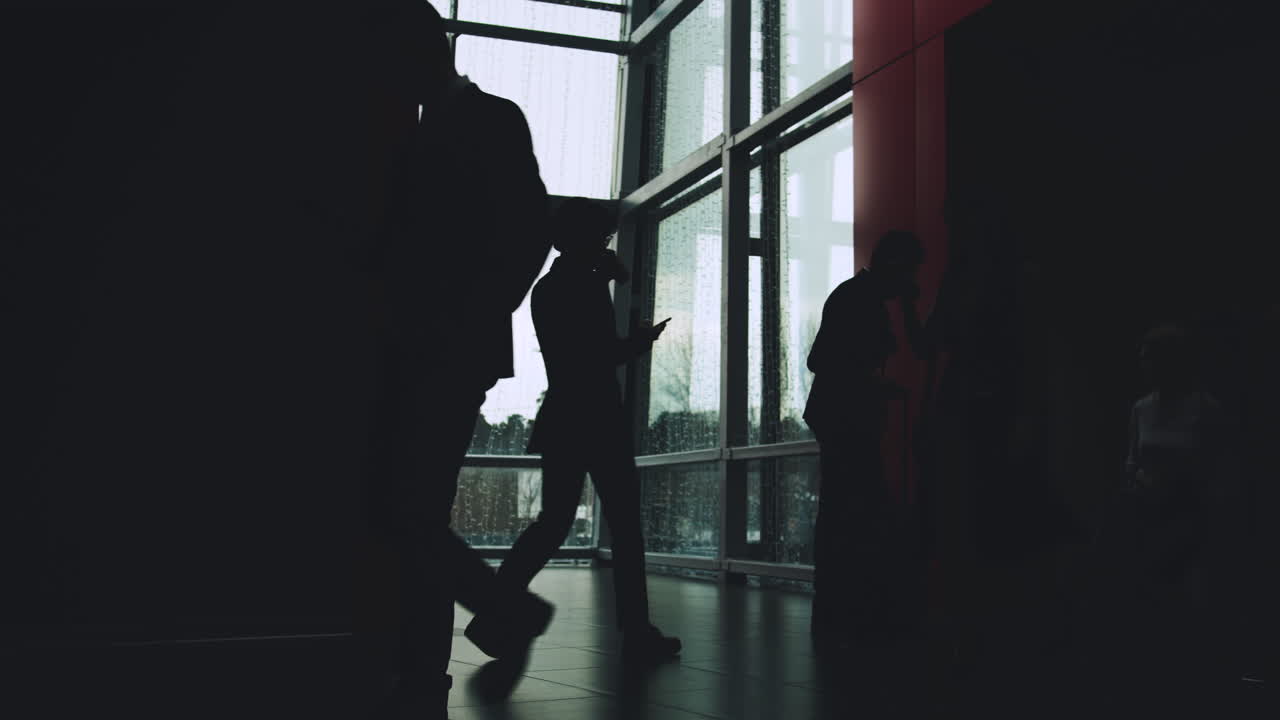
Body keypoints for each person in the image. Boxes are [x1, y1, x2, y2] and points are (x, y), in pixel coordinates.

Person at [372, 3, 553, 716]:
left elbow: (526, 231)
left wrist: (474, 314)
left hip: (447, 344)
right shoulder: (444, 124)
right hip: (438, 342)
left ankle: (478, 625)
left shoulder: (483, 120)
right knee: (409, 509)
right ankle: (429, 661)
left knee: (403, 509)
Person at [472, 198, 682, 664]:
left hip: (565, 417)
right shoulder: (582, 288)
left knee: (553, 523)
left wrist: (603, 281)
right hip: (598, 418)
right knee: (626, 527)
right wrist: (638, 342)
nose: (606, 245)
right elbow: (598, 355)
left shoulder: (550, 288)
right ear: (585, 240)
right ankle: (636, 631)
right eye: (602, 238)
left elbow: (575, 355)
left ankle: (492, 612)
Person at [803, 230, 926, 654]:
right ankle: (854, 613)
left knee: (844, 510)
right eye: (909, 270)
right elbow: (821, 359)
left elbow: (822, 358)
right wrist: (870, 383)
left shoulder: (856, 296)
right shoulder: (861, 301)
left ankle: (839, 613)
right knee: (855, 508)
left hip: (838, 415)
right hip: (846, 418)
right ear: (897, 265)